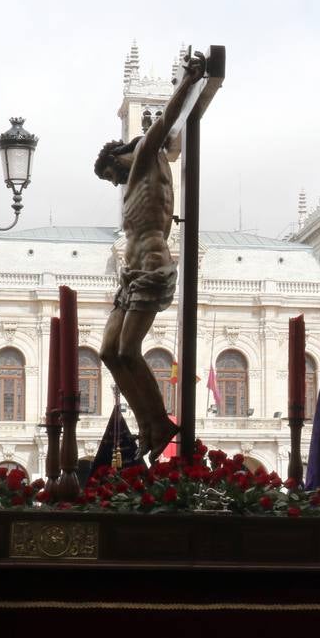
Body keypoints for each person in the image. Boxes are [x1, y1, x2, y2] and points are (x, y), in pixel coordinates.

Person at [94, 51, 206, 459]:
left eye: (113, 171)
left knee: (127, 350)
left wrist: (188, 82)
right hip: (131, 273)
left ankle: (157, 421)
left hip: (153, 265)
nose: (116, 180)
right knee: (107, 351)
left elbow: (162, 125)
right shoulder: (132, 183)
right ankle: (148, 422)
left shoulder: (144, 157)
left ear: (122, 154)